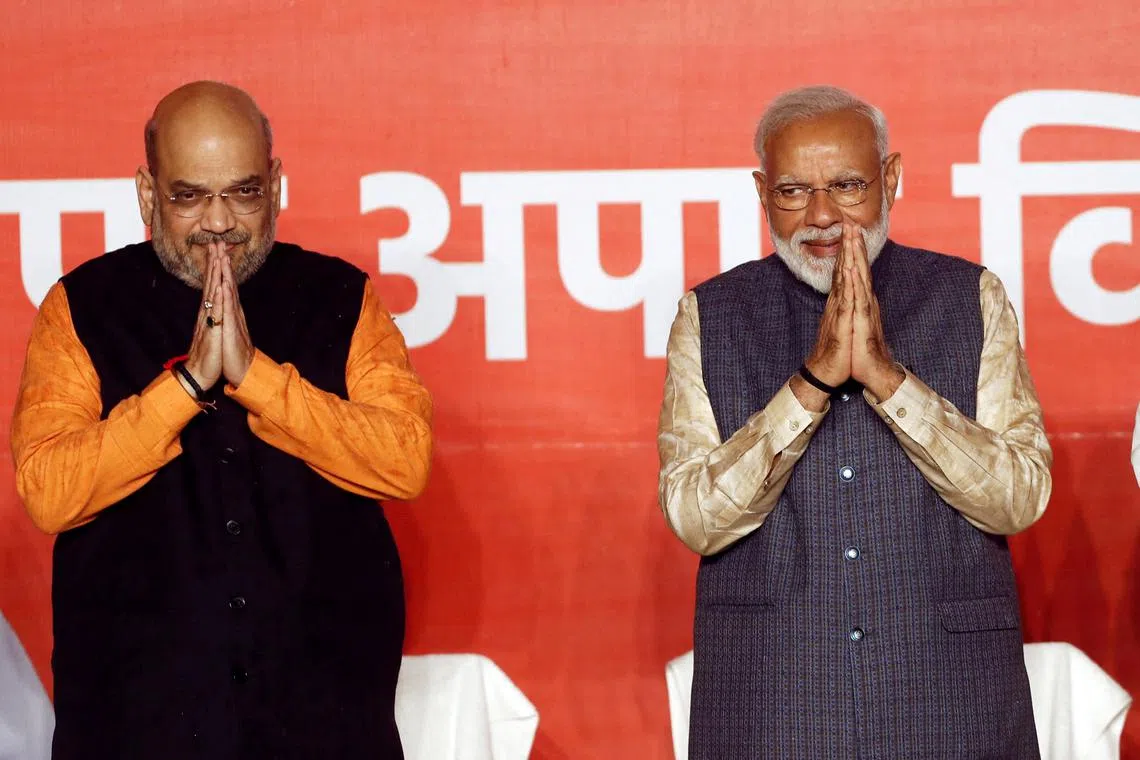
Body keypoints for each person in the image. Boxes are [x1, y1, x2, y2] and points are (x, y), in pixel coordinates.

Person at [10, 81, 432, 759]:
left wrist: (255, 378)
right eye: (189, 196)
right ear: (147, 195)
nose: (218, 223)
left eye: (243, 193)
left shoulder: (343, 299)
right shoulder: (79, 308)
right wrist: (185, 386)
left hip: (324, 720)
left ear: (277, 184)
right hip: (134, 726)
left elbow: (405, 459)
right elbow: (49, 489)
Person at [657, 85, 1052, 759]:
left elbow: (1019, 497)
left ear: (890, 178)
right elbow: (694, 515)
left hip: (949, 698)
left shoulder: (968, 297)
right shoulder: (712, 314)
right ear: (760, 192)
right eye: (791, 191)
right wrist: (810, 385)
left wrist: (888, 381)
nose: (821, 216)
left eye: (846, 185)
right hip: (772, 702)